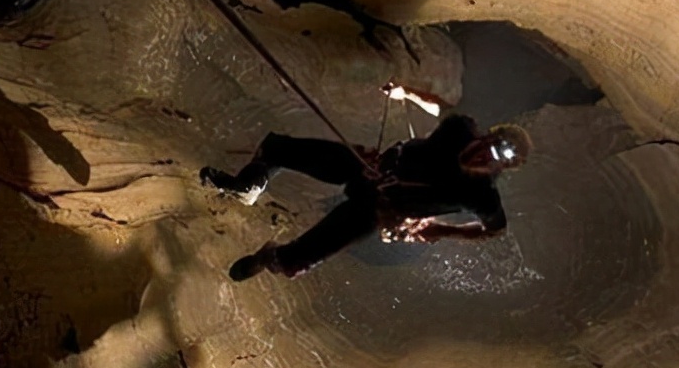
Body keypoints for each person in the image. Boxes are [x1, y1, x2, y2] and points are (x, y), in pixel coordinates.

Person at [200, 115, 531, 280]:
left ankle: (266, 257)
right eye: (489, 145)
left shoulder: (481, 196)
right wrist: (405, 91)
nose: (483, 156)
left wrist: (445, 230)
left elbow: (496, 230)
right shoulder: (459, 128)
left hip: (379, 208)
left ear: (499, 169)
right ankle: (247, 188)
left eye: (492, 160)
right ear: (488, 135)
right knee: (276, 148)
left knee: (293, 262)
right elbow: (431, 112)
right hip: (369, 169)